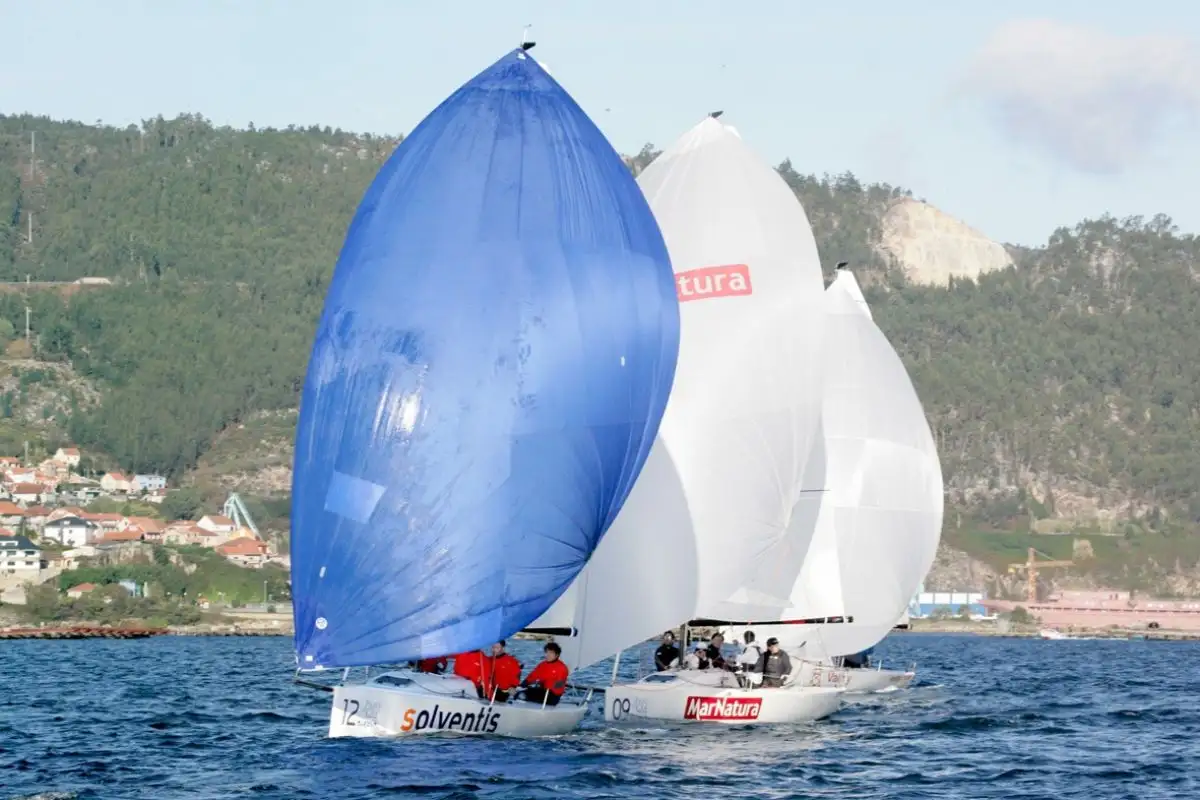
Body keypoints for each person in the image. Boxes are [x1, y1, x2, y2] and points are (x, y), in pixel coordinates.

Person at [520, 642, 569, 706]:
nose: (548, 655)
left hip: (553, 695)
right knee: (521, 693)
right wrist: (526, 681)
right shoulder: (542, 665)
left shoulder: (562, 668)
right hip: (542, 692)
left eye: (551, 653)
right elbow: (533, 675)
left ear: (557, 655)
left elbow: (559, 686)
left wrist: (544, 682)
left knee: (526, 694)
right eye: (547, 652)